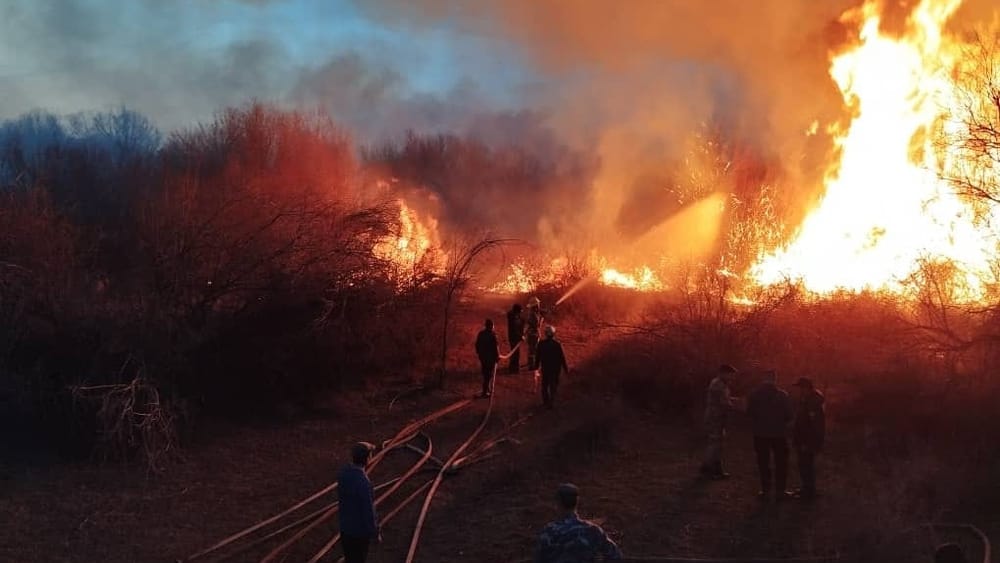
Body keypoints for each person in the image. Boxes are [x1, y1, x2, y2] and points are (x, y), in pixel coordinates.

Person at [534, 483, 622, 562]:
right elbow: (615, 556)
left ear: (558, 503)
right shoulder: (593, 530)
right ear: (577, 502)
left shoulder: (549, 532)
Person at [746, 370, 793, 500]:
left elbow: (749, 413)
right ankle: (780, 490)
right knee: (781, 463)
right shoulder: (782, 395)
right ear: (775, 379)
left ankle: (765, 490)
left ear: (763, 379)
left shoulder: (754, 394)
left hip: (760, 434)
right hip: (779, 434)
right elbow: (789, 415)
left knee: (763, 462)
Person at [338, 442, 380, 563]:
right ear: (368, 458)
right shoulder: (364, 483)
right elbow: (368, 512)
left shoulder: (343, 474)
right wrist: (375, 532)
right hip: (359, 534)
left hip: (345, 530)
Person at [700, 364, 739, 479]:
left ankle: (716, 469)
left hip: (718, 416)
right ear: (723, 373)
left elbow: (724, 399)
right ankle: (707, 469)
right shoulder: (718, 384)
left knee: (718, 444)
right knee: (714, 443)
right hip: (715, 417)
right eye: (730, 374)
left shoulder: (721, 384)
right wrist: (736, 406)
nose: (732, 377)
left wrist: (734, 400)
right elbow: (723, 402)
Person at [792, 377, 826, 500]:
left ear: (806, 388)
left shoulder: (813, 402)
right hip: (803, 440)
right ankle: (806, 489)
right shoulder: (807, 399)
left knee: (806, 465)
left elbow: (815, 426)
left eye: (800, 388)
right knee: (804, 465)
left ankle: (809, 492)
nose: (799, 390)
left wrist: (808, 442)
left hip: (807, 441)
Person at [535, 325, 568, 409]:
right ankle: (551, 402)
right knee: (553, 385)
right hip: (555, 369)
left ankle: (545, 401)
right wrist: (565, 368)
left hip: (545, 368)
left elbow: (537, 357)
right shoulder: (557, 344)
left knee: (544, 385)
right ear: (553, 334)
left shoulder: (541, 344)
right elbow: (562, 357)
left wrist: (536, 367)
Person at [475, 319, 500, 398]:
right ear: (491, 326)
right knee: (488, 375)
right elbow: (496, 347)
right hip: (490, 359)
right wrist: (497, 356)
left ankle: (487, 389)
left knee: (485, 373)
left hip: (483, 358)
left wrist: (479, 353)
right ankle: (485, 392)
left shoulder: (481, 333)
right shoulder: (493, 335)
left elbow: (477, 345)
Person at [526, 297, 544, 371]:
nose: (539, 305)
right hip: (533, 334)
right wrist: (542, 319)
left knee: (532, 350)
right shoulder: (533, 314)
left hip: (532, 334)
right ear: (535, 305)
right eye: (538, 304)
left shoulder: (533, 313)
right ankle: (531, 365)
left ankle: (532, 364)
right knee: (533, 350)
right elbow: (537, 325)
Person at [507, 303, 526, 374]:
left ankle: (514, 367)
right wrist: (520, 336)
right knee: (515, 353)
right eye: (520, 311)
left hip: (514, 337)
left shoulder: (514, 316)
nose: (520, 313)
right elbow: (514, 330)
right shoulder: (513, 318)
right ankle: (513, 369)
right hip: (514, 338)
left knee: (515, 353)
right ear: (516, 311)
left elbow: (520, 322)